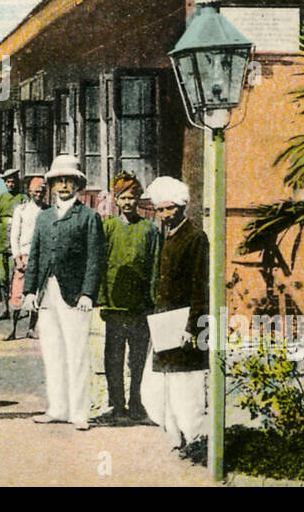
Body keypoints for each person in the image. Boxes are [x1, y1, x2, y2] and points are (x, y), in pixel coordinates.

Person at [22, 154, 105, 430]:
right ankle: (57, 407)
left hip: (74, 295)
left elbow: (95, 259)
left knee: (77, 352)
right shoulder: (44, 217)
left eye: (69, 181)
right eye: (59, 181)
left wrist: (88, 294)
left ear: (78, 184)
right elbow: (34, 255)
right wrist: (30, 290)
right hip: (47, 292)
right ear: (52, 184)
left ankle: (79, 412)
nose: (64, 186)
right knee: (52, 351)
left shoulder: (89, 217)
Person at [140, 177, 210, 459]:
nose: (166, 214)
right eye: (160, 210)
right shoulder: (167, 237)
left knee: (187, 384)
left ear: (181, 206)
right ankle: (174, 436)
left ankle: (195, 440)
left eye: (170, 208)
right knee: (165, 383)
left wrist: (192, 326)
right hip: (164, 320)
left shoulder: (195, 237)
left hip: (184, 323)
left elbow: (200, 286)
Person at [98, 172, 159, 424]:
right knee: (113, 357)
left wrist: (154, 302)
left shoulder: (150, 229)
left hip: (140, 305)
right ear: (115, 199)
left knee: (137, 358)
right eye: (123, 198)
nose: (127, 203)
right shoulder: (108, 226)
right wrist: (101, 298)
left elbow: (155, 266)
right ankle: (117, 405)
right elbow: (100, 263)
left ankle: (137, 403)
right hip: (114, 303)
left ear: (138, 200)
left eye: (132, 198)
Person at [7, 175, 48, 340]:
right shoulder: (21, 210)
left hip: (41, 258)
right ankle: (13, 329)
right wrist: (16, 257)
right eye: (36, 191)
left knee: (38, 294)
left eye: (42, 191)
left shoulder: (49, 211)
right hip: (23, 257)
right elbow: (14, 236)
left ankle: (31, 328)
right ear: (30, 191)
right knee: (17, 294)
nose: (39, 194)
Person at [0, 168, 26, 321]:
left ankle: (18, 309)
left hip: (18, 247)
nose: (11, 184)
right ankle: (5, 309)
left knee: (17, 278)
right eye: (8, 182)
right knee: (2, 279)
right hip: (1, 245)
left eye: (13, 181)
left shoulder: (23, 199)